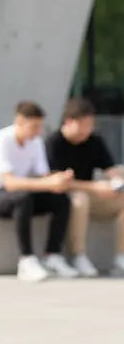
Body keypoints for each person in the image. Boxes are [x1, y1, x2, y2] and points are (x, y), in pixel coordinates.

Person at [0, 101, 78, 282]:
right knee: (22, 198)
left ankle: (53, 256)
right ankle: (26, 260)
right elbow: (9, 183)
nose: (37, 131)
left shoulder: (36, 142)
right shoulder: (1, 140)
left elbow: (43, 176)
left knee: (61, 199)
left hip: (19, 195)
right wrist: (49, 183)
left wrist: (60, 179)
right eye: (34, 126)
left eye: (40, 127)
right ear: (19, 121)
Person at [47, 96, 124, 278]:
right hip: (64, 196)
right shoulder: (54, 142)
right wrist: (95, 187)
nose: (87, 130)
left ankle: (121, 256)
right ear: (69, 121)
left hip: (92, 195)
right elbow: (56, 181)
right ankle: (78, 255)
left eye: (90, 125)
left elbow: (111, 170)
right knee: (80, 199)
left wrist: (117, 183)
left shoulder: (94, 141)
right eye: (83, 125)